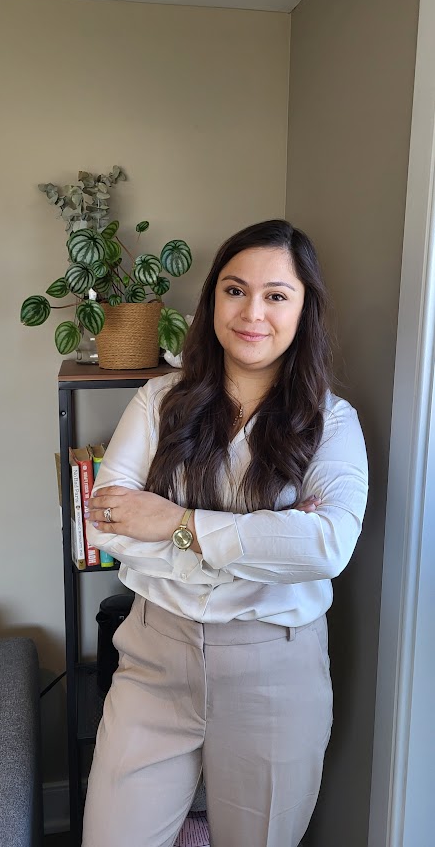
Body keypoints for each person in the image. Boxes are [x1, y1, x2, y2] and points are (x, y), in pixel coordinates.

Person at [81, 219, 368, 847]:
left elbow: (326, 545)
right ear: (213, 299)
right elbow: (107, 519)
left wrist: (178, 526)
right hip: (154, 656)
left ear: (303, 309)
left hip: (276, 668)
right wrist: (258, 543)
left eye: (276, 295)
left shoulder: (331, 424)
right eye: (235, 291)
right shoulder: (159, 400)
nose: (252, 313)